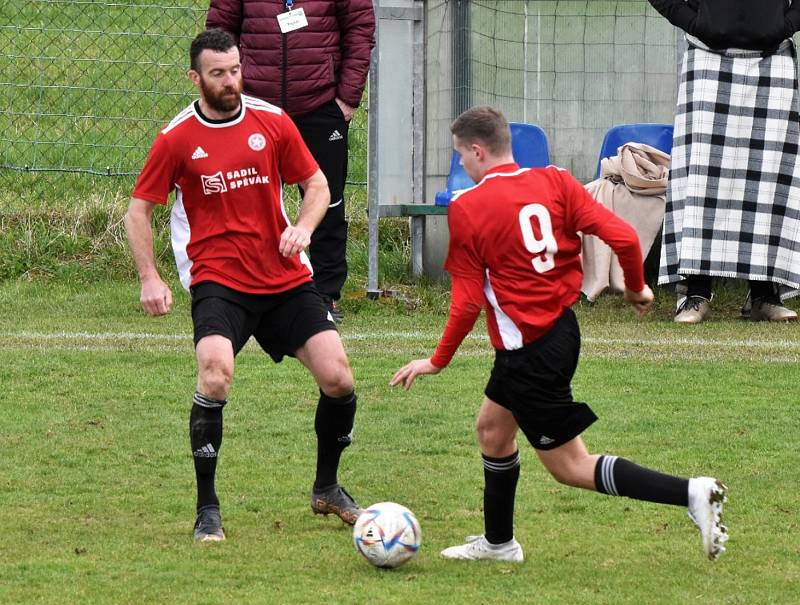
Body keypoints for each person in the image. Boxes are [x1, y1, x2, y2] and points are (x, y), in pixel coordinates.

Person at [390, 106, 729, 563]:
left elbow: (468, 301)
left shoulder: (469, 208)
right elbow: (625, 239)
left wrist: (437, 360)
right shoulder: (555, 180)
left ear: (476, 150)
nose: (462, 166)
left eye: (461, 156)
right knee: (492, 431)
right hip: (559, 332)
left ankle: (691, 493)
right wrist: (635, 287)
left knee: (571, 467)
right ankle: (499, 543)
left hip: (529, 351)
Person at [123, 29, 362, 542]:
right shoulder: (178, 137)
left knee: (339, 378)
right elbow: (138, 209)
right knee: (214, 376)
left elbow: (317, 184)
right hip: (219, 278)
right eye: (217, 73)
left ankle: (327, 487)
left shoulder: (271, 121)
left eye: (234, 70)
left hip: (283, 276)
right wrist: (150, 277)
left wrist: (303, 226)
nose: (229, 81)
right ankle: (207, 509)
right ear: (195, 77)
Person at [206, 0, 376, 323]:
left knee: (328, 201)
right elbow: (219, 29)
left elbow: (360, 29)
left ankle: (325, 294)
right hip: (256, 106)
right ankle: (246, 287)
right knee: (248, 201)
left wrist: (346, 98)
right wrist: (228, 91)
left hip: (321, 104)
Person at [648, 0, 800, 323]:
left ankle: (764, 295)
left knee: (767, 180)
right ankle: (696, 292)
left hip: (773, 57)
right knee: (703, 182)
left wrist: (785, 24)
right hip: (707, 55)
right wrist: (696, 22)